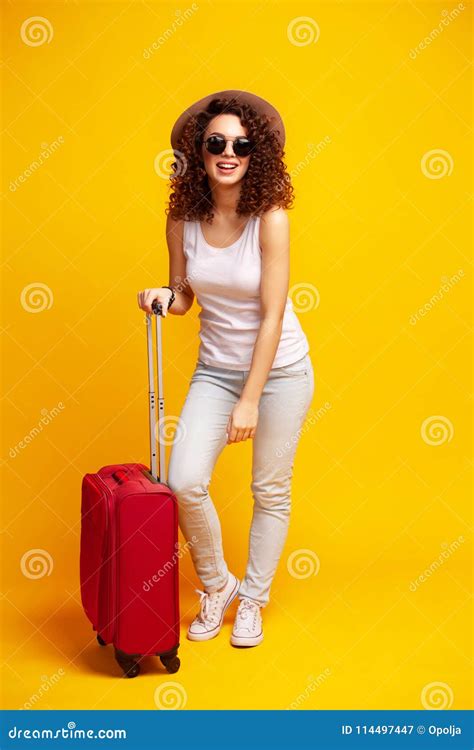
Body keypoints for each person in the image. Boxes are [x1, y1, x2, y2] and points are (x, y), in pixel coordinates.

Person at [137, 90, 314, 648]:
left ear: (256, 152)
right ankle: (218, 586)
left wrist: (250, 399)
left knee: (270, 489)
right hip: (215, 368)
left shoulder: (272, 219)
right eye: (217, 143)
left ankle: (255, 601)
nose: (228, 152)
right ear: (199, 152)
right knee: (183, 480)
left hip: (280, 370)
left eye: (241, 143)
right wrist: (161, 296)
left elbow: (271, 314)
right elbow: (185, 296)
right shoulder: (182, 217)